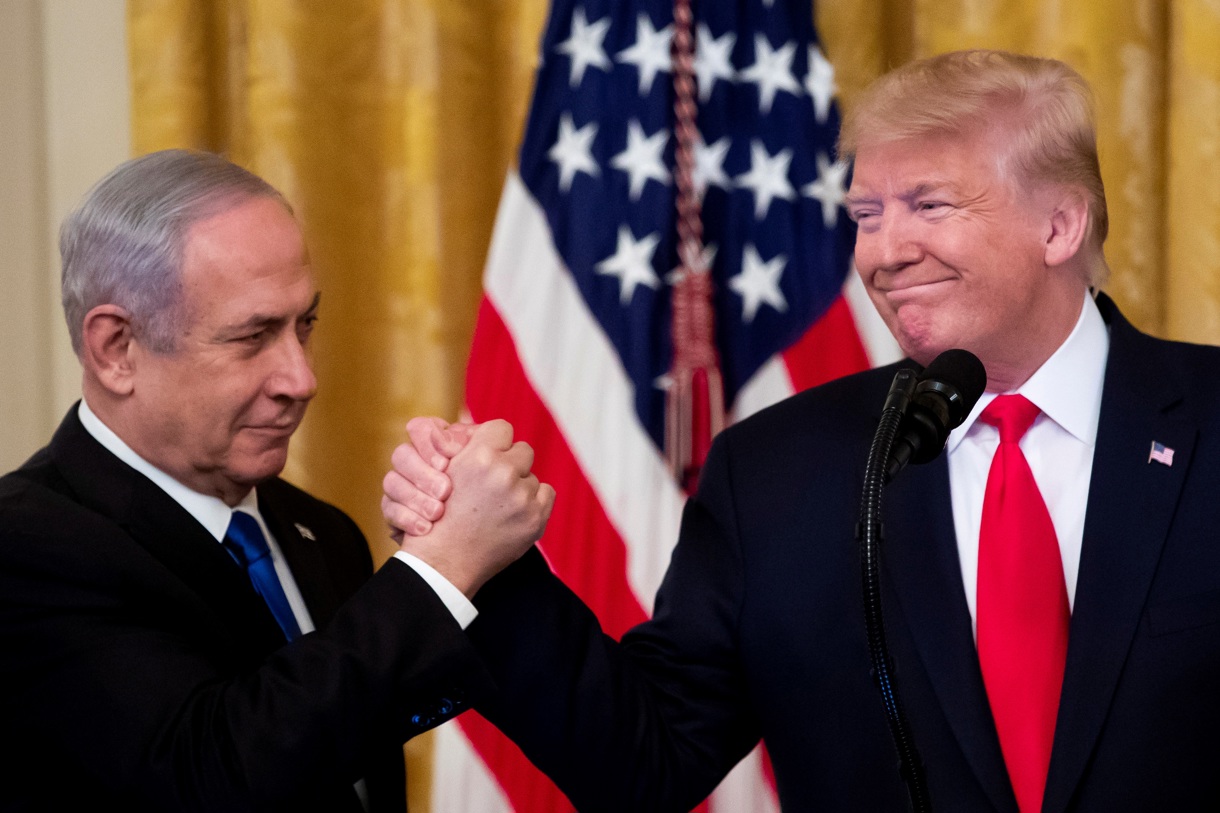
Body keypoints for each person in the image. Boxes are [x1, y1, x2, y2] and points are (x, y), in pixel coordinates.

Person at [383, 50, 1220, 811]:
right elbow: (645, 760)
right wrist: (485, 564)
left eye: (928, 204)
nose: (884, 252)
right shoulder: (778, 471)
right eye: (866, 213)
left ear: (1060, 224)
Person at [0, 149, 553, 812]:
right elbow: (216, 778)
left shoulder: (322, 531)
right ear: (117, 348)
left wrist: (466, 559)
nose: (302, 379)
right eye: (254, 335)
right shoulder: (26, 543)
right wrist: (439, 569)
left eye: (304, 325)